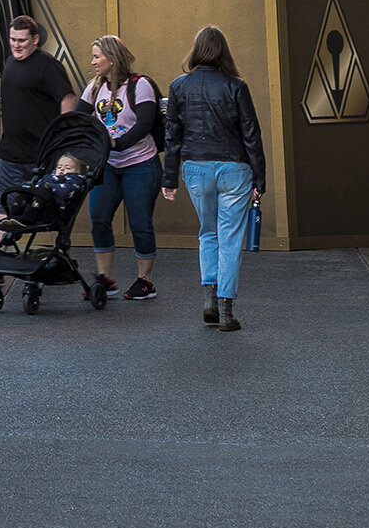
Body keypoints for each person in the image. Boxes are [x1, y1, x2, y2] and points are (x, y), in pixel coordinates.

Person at [160, 25, 267, 331]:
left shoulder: (179, 86)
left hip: (196, 168)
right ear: (223, 51)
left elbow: (173, 135)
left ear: (196, 51)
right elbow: (251, 135)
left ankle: (208, 297)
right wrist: (260, 179)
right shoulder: (236, 86)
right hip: (234, 168)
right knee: (230, 237)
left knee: (208, 232)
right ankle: (226, 309)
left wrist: (169, 178)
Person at [0, 15, 78, 267]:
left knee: (51, 210)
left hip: (41, 155)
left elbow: (68, 99)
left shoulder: (47, 65)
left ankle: (63, 259)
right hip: (10, 152)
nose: (16, 45)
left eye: (22, 40)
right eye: (13, 39)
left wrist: (60, 137)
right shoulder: (10, 62)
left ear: (35, 40)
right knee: (4, 206)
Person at [82, 35, 164, 304]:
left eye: (97, 56)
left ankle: (145, 281)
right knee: (99, 218)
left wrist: (115, 143)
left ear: (112, 58)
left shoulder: (141, 86)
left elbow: (145, 124)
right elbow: (78, 120)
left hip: (140, 164)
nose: (92, 62)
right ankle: (105, 279)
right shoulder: (94, 88)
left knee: (140, 223)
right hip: (108, 166)